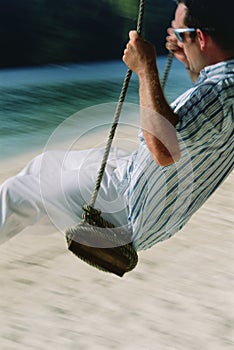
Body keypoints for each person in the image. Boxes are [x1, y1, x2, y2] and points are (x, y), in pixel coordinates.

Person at [0, 0, 233, 251]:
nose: (174, 40)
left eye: (178, 34)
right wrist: (184, 55)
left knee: (15, 195)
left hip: (127, 206)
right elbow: (197, 117)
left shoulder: (220, 93)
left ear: (200, 38)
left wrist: (145, 69)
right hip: (132, 173)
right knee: (43, 165)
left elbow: (164, 150)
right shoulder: (222, 82)